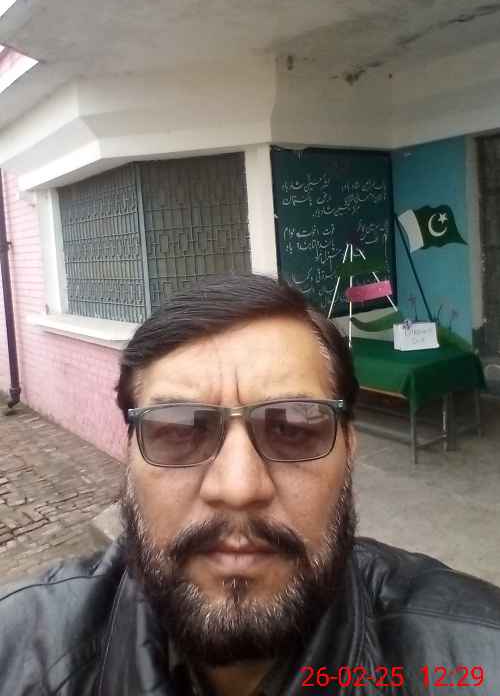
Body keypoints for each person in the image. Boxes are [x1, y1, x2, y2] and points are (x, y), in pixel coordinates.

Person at [0, 274, 499, 695]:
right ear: (130, 452)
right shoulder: (20, 651)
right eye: (179, 430)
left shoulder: (475, 656)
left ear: (350, 450)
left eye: (294, 427)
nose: (238, 488)